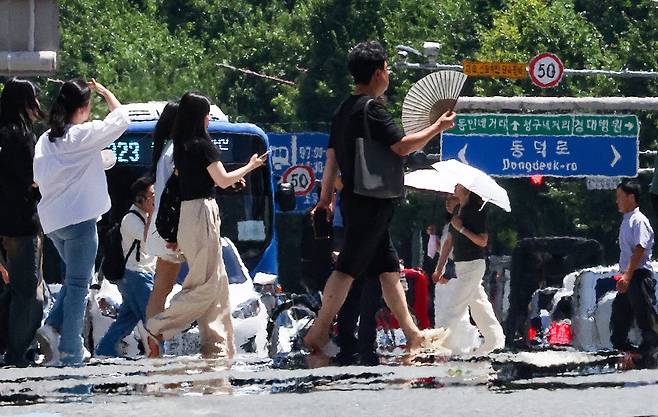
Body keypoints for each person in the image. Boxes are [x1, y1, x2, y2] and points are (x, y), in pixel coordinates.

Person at [303, 40, 456, 354]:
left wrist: (325, 198)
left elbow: (331, 157)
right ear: (376, 74)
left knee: (387, 269)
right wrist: (436, 127)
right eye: (386, 68)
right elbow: (401, 146)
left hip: (361, 201)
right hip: (370, 202)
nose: (388, 74)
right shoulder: (372, 109)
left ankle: (413, 334)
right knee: (346, 268)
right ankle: (317, 333)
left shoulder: (343, 110)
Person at [140, 92, 266, 360]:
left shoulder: (181, 146)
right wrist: (251, 166)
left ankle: (218, 345)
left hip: (187, 214)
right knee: (205, 285)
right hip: (201, 214)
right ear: (199, 116)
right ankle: (157, 326)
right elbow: (221, 180)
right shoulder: (202, 145)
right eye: (207, 113)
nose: (210, 118)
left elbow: (192, 184)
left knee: (218, 283)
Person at [33, 79, 129, 366]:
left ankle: (51, 328)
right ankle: (71, 349)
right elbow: (121, 119)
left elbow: (46, 175)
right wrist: (107, 92)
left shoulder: (46, 139)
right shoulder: (83, 134)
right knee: (78, 284)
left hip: (53, 223)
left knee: (76, 278)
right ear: (84, 107)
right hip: (81, 221)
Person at [0, 78, 45, 367]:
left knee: (9, 290)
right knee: (28, 294)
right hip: (21, 224)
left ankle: (6, 344)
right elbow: (30, 182)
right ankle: (17, 353)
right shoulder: (21, 136)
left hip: (2, 224)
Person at [433, 185, 505, 356]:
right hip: (462, 266)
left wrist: (462, 229)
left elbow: (482, 241)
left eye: (457, 186)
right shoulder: (458, 213)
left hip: (474, 264)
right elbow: (448, 243)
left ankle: (438, 344)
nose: (453, 189)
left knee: (454, 306)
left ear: (466, 190)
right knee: (479, 305)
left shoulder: (475, 211)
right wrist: (439, 268)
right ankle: (495, 340)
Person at [96, 177, 156, 357]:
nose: (155, 199)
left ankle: (104, 352)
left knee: (125, 321)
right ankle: (159, 358)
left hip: (140, 275)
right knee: (153, 321)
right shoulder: (130, 219)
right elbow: (149, 240)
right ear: (140, 200)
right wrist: (153, 213)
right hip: (136, 276)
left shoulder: (146, 216)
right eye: (152, 195)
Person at [143, 102, 185, 321]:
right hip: (176, 230)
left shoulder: (164, 150)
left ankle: (153, 338)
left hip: (163, 227)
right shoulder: (177, 150)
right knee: (203, 286)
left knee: (161, 290)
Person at [611, 180, 658, 369]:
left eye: (620, 198)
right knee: (619, 322)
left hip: (638, 276)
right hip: (628, 276)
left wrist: (628, 276)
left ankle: (649, 354)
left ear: (631, 198)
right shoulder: (626, 221)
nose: (617, 202)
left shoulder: (639, 220)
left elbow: (639, 250)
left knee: (645, 319)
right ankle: (634, 354)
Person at [433, 195, 480, 355]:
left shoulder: (462, 222)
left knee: (454, 309)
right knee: (444, 307)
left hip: (456, 273)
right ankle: (448, 344)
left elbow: (457, 250)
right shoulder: (449, 224)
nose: (447, 201)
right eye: (446, 198)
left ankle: (450, 343)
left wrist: (448, 271)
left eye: (452, 198)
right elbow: (445, 249)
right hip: (445, 272)